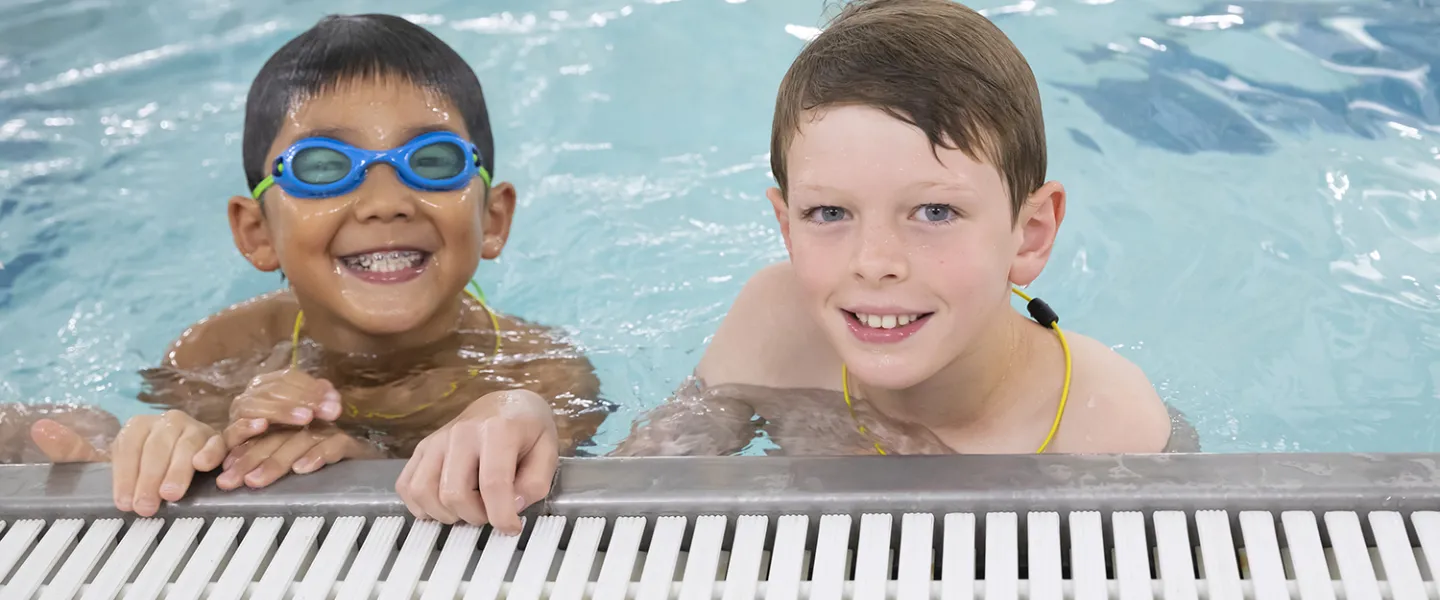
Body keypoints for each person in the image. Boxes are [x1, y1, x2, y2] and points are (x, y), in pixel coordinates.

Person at [3, 13, 610, 535]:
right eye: (323, 167)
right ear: (257, 233)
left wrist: (366, 454)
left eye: (432, 160)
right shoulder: (216, 353)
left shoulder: (542, 372)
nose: (385, 201)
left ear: (494, 218)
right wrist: (189, 450)